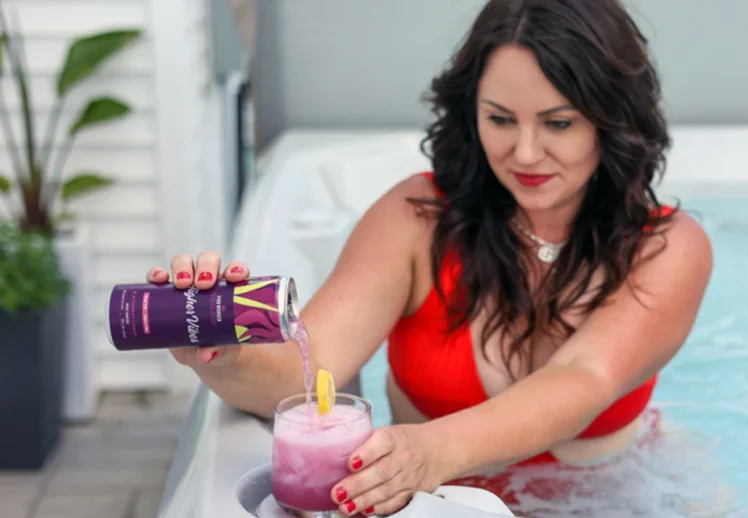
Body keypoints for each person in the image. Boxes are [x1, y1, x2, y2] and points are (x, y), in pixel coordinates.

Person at [146, 0, 713, 515]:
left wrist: (428, 449)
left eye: (558, 123)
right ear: (472, 114)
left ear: (613, 121)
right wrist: (221, 350)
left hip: (618, 497)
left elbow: (583, 377)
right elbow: (306, 369)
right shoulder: (415, 220)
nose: (526, 151)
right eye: (500, 119)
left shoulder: (666, 249)